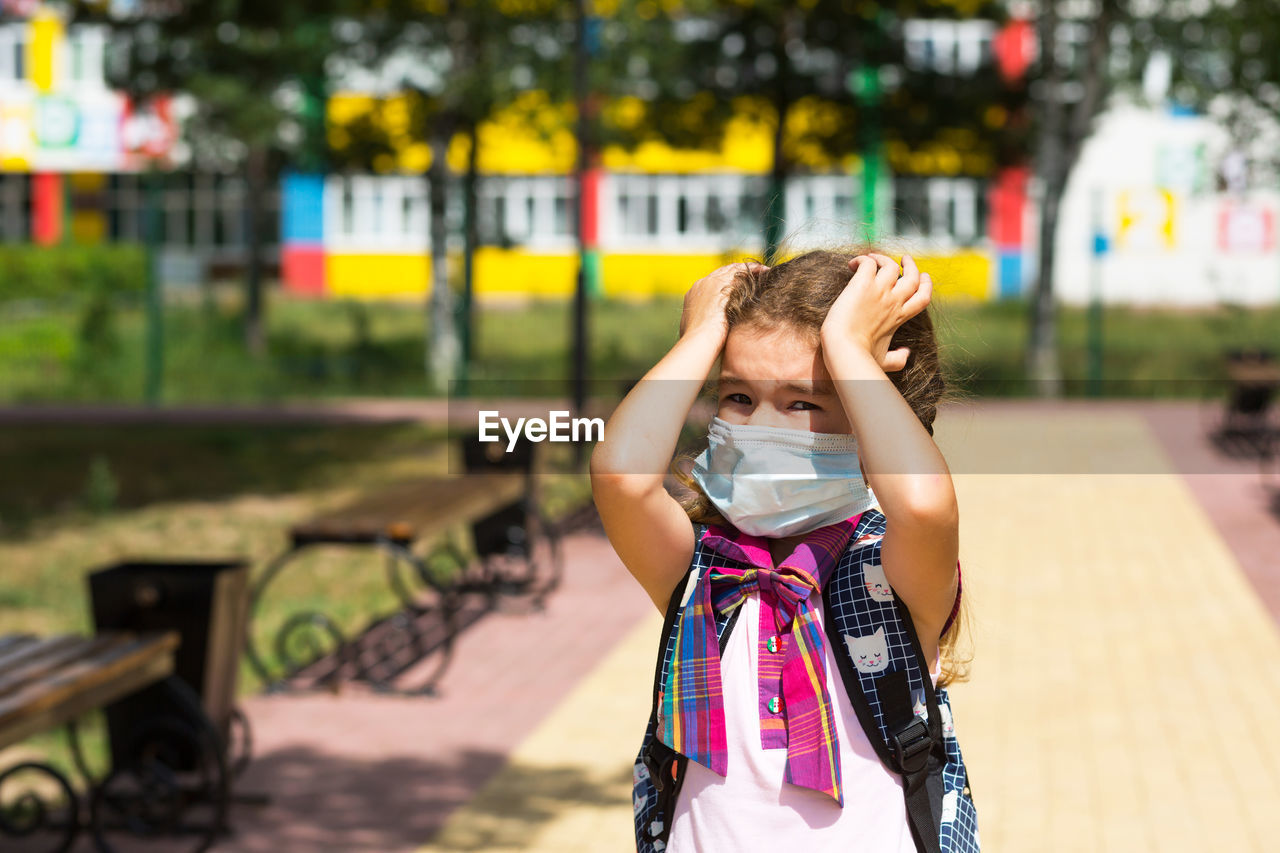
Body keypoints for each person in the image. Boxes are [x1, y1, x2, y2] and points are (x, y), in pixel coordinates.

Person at [590, 248, 977, 852]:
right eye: (737, 397)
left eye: (803, 402)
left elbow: (925, 505)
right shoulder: (700, 571)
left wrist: (849, 350)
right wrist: (701, 334)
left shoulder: (893, 570)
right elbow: (621, 478)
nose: (754, 427)